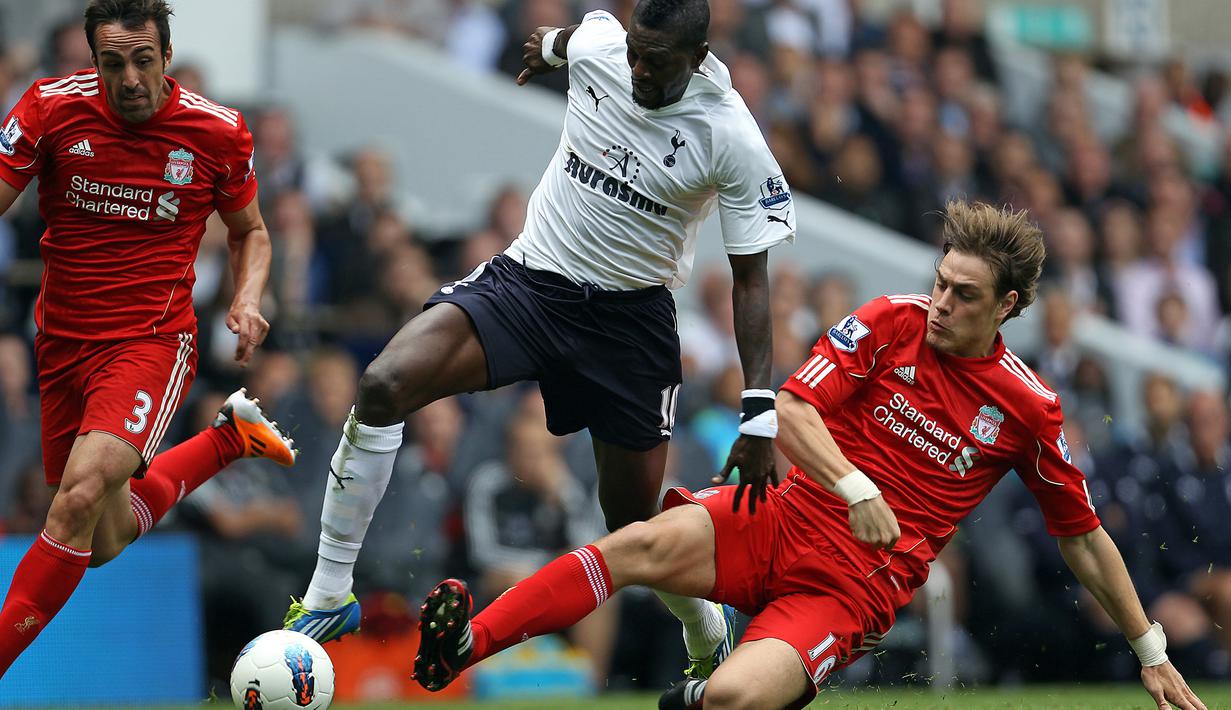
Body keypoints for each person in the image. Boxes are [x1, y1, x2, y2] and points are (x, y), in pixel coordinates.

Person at [410, 201, 1207, 710]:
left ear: (1006, 306)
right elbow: (790, 409)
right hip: (782, 515)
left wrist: (1148, 650)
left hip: (851, 585)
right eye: (939, 283)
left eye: (963, 296)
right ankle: (463, 647)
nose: (940, 303)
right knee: (633, 544)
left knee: (729, 703)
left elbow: (1082, 535)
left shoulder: (1028, 406)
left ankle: (703, 693)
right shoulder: (888, 322)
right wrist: (852, 482)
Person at [286, 0, 794, 679]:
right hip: (530, 285)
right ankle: (329, 592)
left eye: (657, 62)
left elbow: (751, 282)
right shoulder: (602, 48)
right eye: (634, 54)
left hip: (629, 325)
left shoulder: (729, 136)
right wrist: (546, 49)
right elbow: (561, 40)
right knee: (383, 384)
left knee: (634, 528)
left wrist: (759, 412)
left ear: (697, 59)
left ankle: (704, 634)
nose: (637, 70)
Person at [0, 0, 295, 676]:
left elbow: (251, 230)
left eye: (142, 61)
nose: (129, 78)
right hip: (62, 343)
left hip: (151, 342)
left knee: (75, 499)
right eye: (112, 64)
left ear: (165, 57)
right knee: (97, 539)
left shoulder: (216, 132)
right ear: (92, 62)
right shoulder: (48, 109)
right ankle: (227, 441)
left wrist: (247, 300)